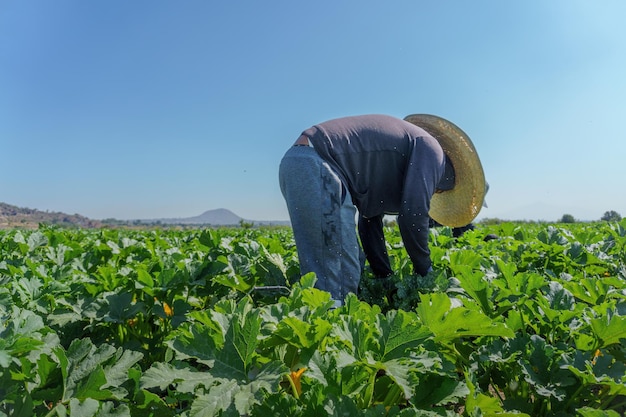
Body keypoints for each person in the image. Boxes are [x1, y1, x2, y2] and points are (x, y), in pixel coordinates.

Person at [278, 114, 486, 306]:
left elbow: (369, 223)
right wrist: (426, 271)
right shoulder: (431, 150)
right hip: (317, 164)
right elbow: (413, 216)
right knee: (338, 277)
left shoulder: (392, 165)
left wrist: (384, 276)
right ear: (446, 179)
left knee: (350, 264)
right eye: (439, 191)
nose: (435, 193)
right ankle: (326, 340)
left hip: (305, 162)